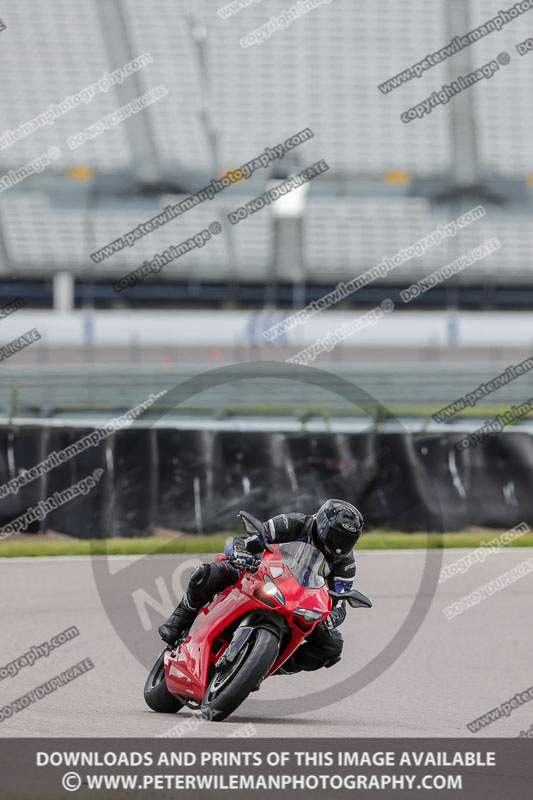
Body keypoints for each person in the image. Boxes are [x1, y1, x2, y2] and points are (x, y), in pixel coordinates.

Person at [158, 499, 363, 673]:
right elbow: (248, 539)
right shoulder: (293, 523)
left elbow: (340, 600)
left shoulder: (345, 562)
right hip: (259, 574)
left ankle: (271, 665)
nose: (340, 545)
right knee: (208, 573)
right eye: (337, 536)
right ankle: (181, 616)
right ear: (323, 525)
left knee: (332, 647)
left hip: (298, 601)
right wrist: (241, 552)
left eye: (347, 540)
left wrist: (332, 617)